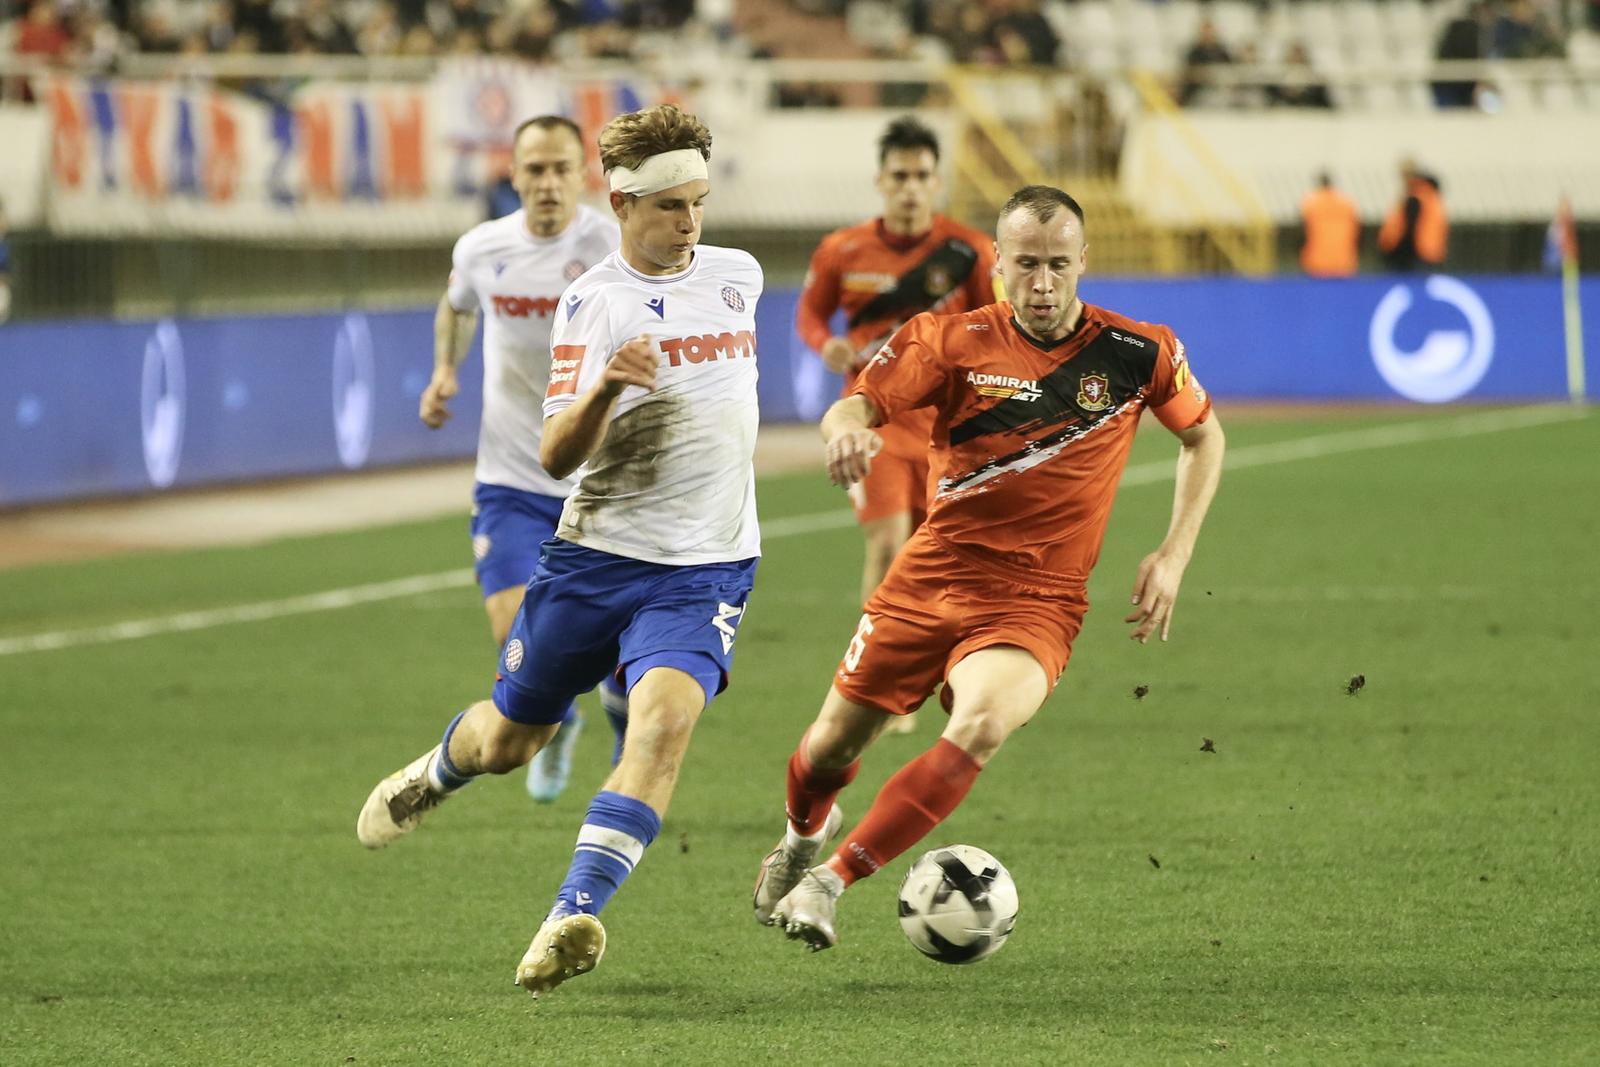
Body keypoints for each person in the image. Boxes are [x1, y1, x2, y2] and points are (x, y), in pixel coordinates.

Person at [359, 103, 765, 1001]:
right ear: (623, 205)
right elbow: (554, 455)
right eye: (670, 207)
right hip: (596, 557)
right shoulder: (595, 302)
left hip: (706, 566)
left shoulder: (740, 275)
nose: (690, 224)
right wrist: (609, 388)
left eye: (698, 203)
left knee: (662, 723)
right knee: (511, 740)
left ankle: (570, 914)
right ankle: (437, 771)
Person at [752, 185, 1225, 950]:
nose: (1042, 283)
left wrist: (1174, 552)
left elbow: (1205, 437)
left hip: (1036, 600)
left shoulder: (1139, 353)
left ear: (1084, 261)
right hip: (930, 576)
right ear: (997, 261)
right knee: (828, 749)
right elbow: (856, 406)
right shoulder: (948, 340)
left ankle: (828, 881)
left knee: (978, 725)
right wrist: (844, 432)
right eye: (1026, 263)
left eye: (1058, 265)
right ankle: (803, 836)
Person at [424, 114, 624, 804]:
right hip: (510, 477)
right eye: (534, 169)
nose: (547, 182)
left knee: (619, 642)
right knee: (515, 632)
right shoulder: (483, 248)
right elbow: (456, 306)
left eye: (561, 168)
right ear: (513, 175)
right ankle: (557, 722)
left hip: (597, 478)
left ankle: (622, 734)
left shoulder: (610, 246)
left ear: (583, 174)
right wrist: (444, 371)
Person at [796, 115, 999, 735]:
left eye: (921, 176)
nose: (910, 187)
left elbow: (996, 325)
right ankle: (875, 687)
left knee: (936, 553)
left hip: (945, 427)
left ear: (937, 182)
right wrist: (825, 344)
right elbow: (810, 314)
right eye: (900, 176)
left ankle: (930, 673)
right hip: (872, 419)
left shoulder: (969, 251)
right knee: (887, 546)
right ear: (880, 180)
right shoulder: (843, 250)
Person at [1378, 159, 1448, 272]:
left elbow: (1410, 228)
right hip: (1428, 253)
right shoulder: (1428, 194)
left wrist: (1397, 253)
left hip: (1417, 256)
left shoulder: (1416, 197)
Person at [1299, 171, 1360, 278]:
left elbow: (1302, 233)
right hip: (1345, 261)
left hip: (1316, 262)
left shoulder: (1310, 204)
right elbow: (1357, 233)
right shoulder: (1347, 203)